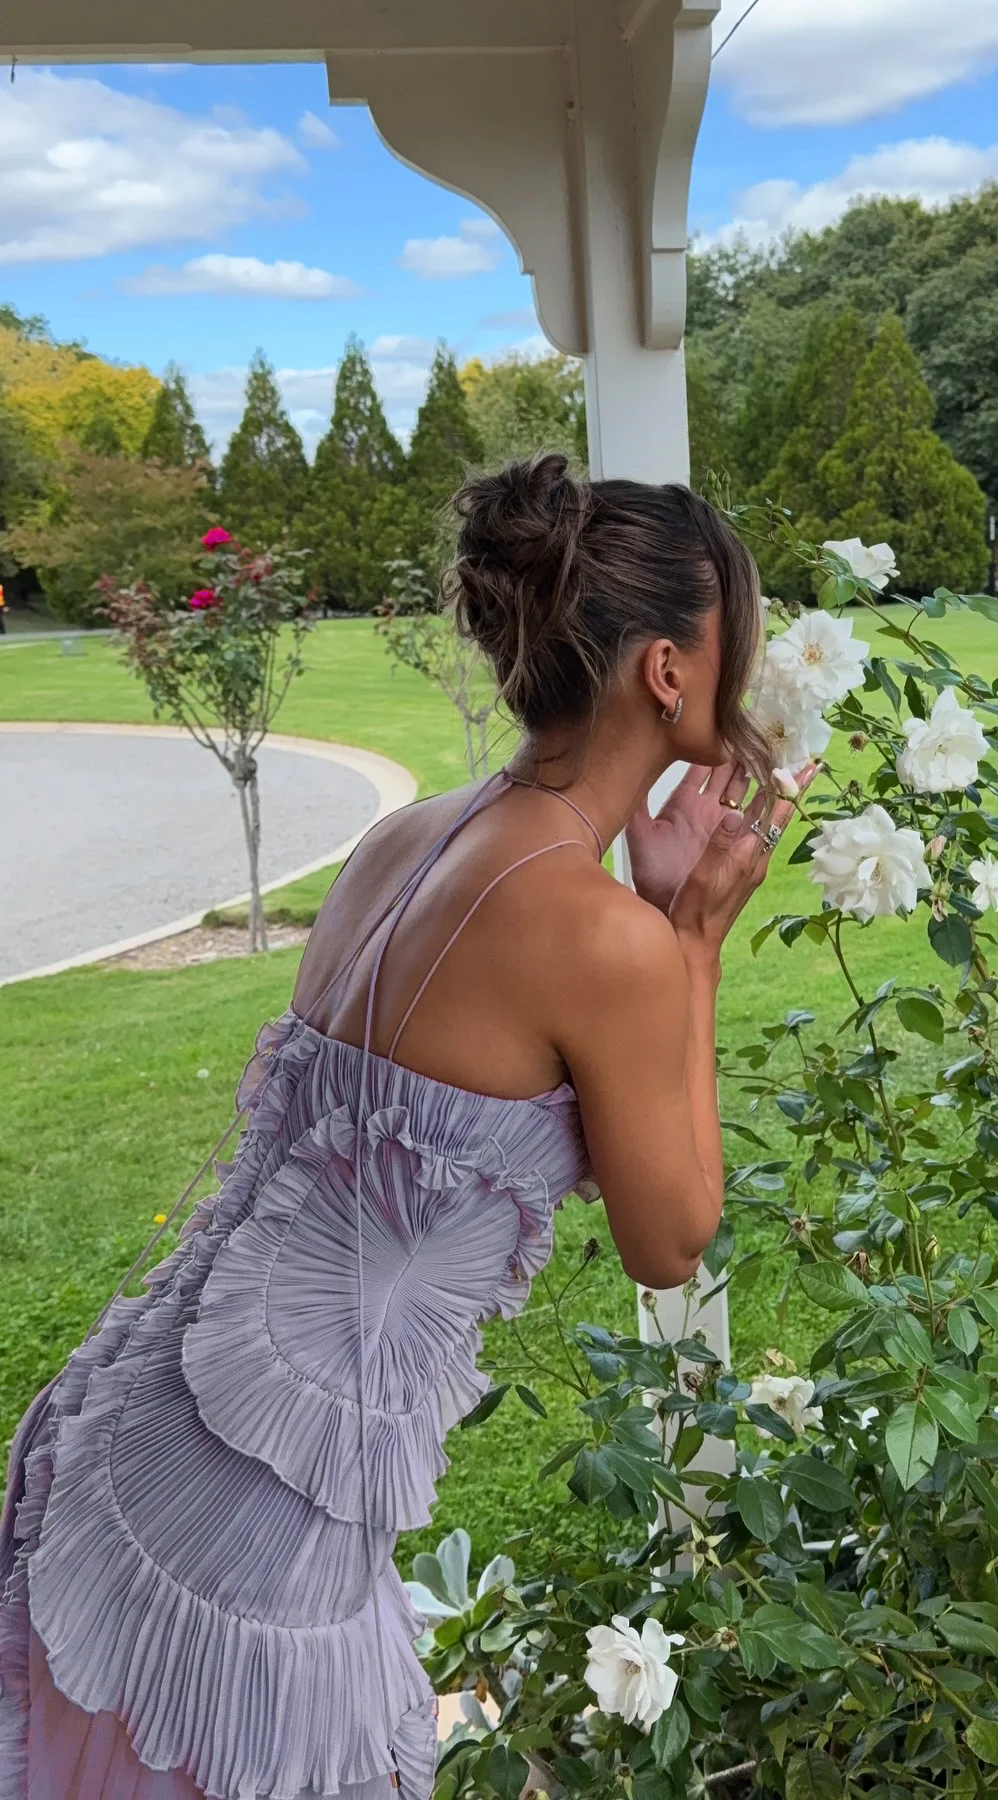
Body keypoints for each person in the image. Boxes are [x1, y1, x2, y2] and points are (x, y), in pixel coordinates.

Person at [0, 453, 810, 1797]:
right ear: (668, 671)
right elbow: (673, 1239)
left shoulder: (412, 837)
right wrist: (696, 941)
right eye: (742, 637)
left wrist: (655, 924)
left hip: (150, 1422)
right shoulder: (602, 936)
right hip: (255, 1515)